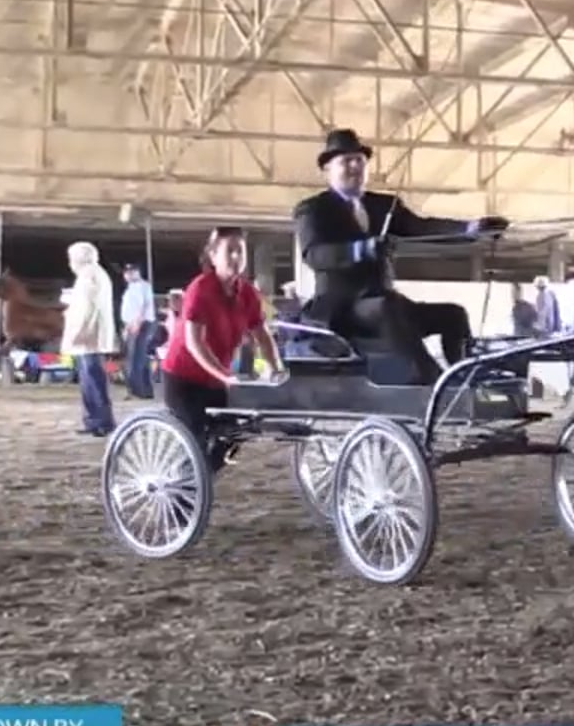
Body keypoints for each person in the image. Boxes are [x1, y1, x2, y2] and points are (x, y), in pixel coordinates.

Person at [293, 127, 509, 384]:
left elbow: (421, 227)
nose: (354, 166)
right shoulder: (313, 209)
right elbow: (315, 255)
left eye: (359, 161)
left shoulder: (383, 205)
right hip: (344, 310)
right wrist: (364, 249)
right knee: (388, 307)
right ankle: (430, 379)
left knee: (453, 314)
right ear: (327, 169)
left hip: (385, 304)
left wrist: (471, 229)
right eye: (345, 161)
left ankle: (465, 376)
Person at [160, 227, 285, 472]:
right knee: (195, 437)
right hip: (184, 379)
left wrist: (275, 368)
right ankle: (186, 490)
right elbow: (194, 342)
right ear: (213, 256)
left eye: (241, 251)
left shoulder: (247, 293)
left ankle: (196, 483)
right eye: (230, 251)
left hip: (216, 381)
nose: (237, 257)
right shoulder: (200, 289)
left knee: (233, 436)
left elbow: (261, 334)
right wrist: (225, 375)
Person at [61, 241, 118, 436]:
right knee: (89, 380)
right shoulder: (95, 274)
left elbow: (85, 309)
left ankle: (102, 422)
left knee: (93, 380)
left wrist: (77, 332)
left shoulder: (88, 276)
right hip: (91, 336)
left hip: (88, 337)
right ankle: (93, 421)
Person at [119, 263, 157, 400]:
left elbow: (142, 306)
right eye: (126, 272)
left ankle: (138, 390)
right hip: (133, 324)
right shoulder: (131, 288)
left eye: (132, 272)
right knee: (138, 357)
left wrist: (136, 323)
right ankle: (143, 390)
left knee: (137, 358)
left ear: (138, 272)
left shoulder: (141, 286)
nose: (128, 275)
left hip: (141, 324)